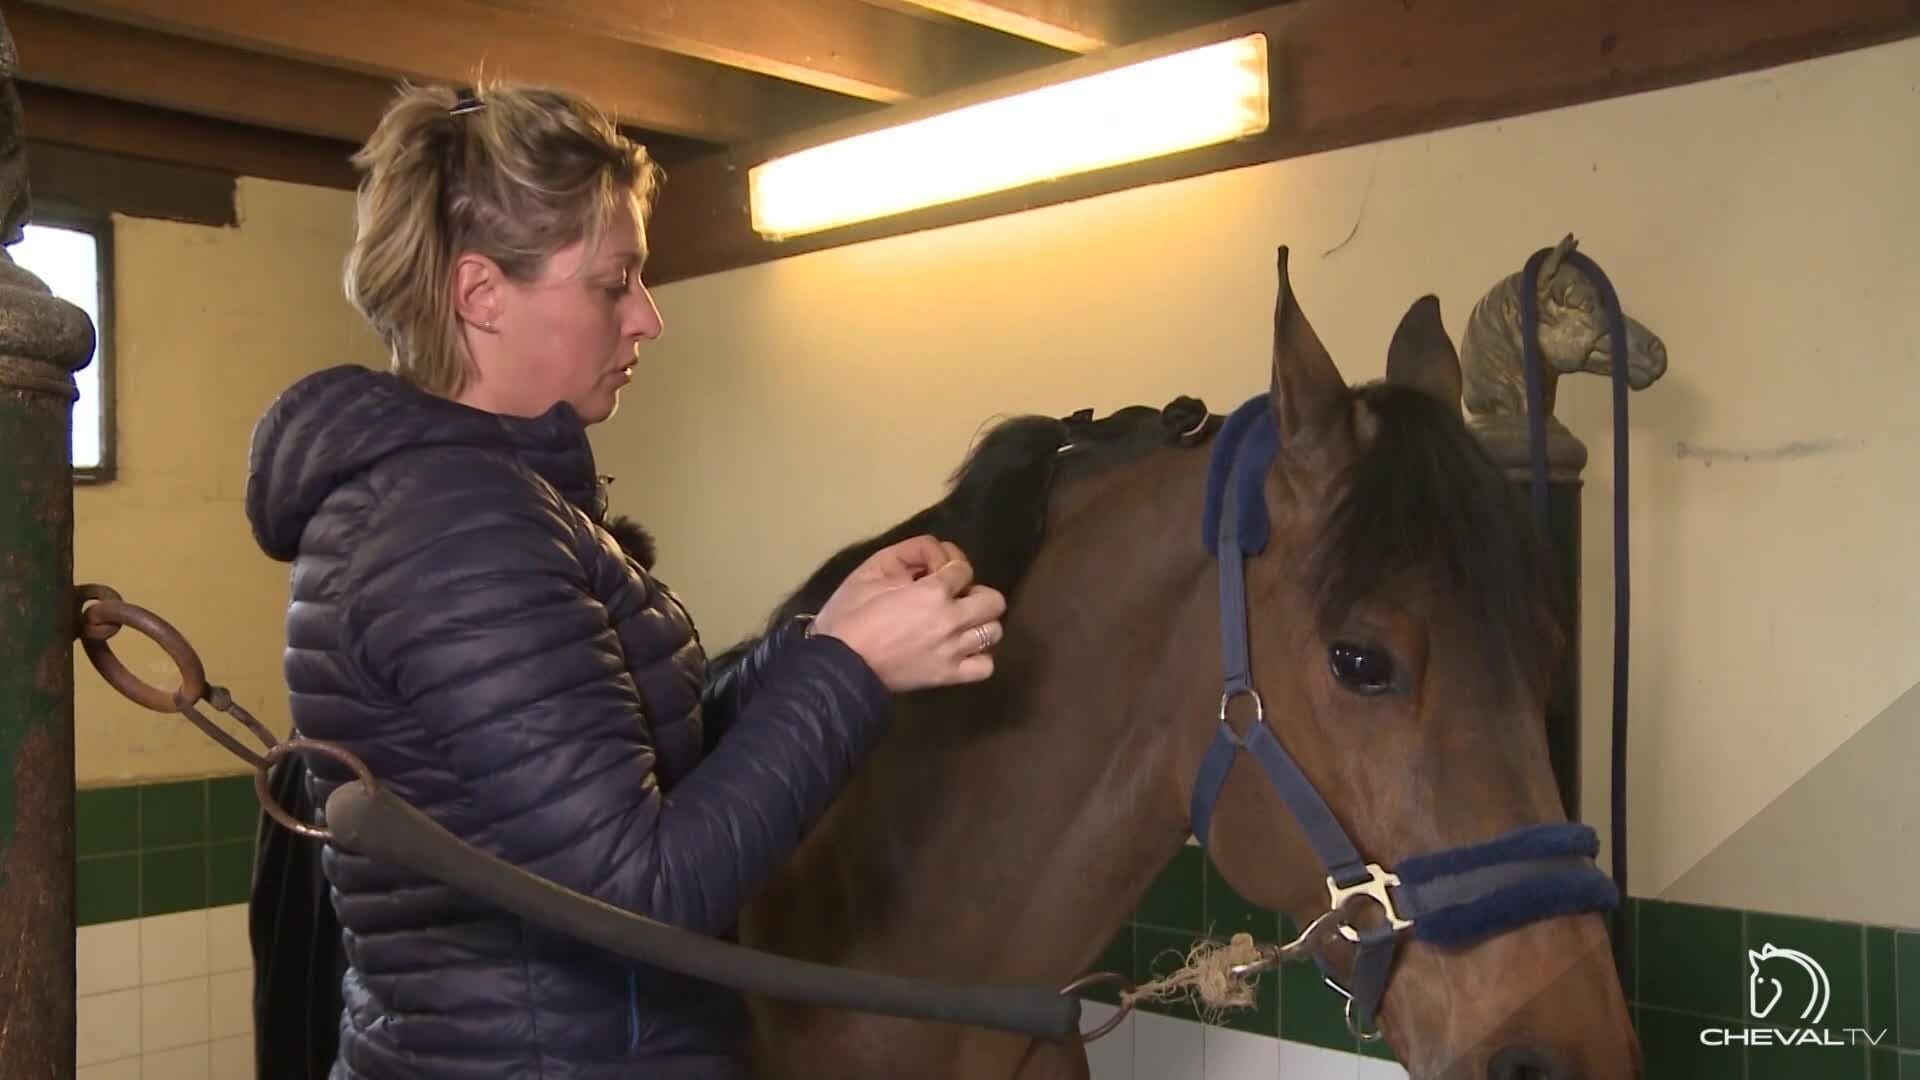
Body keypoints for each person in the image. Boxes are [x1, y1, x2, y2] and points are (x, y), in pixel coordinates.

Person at [242, 78, 1007, 1080]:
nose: (648, 319)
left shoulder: (497, 504)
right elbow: (635, 898)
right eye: (614, 284)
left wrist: (826, 635)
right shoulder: (449, 532)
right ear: (480, 294)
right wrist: (850, 673)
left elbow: (644, 772)